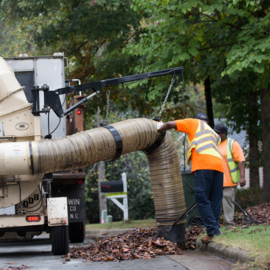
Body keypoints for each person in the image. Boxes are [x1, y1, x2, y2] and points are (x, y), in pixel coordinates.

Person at [157, 113, 224, 244]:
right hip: (218, 166)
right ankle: (214, 232)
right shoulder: (213, 132)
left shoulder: (194, 123)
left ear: (197, 119)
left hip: (203, 164)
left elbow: (169, 124)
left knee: (201, 197)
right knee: (215, 199)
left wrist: (158, 130)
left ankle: (213, 231)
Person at [213, 124, 246, 229]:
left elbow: (240, 160)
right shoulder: (214, 144)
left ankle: (229, 225)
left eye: (217, 132)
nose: (215, 134)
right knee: (215, 204)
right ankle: (214, 225)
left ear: (223, 134)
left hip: (228, 181)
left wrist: (242, 177)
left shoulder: (232, 144)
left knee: (227, 204)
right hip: (215, 181)